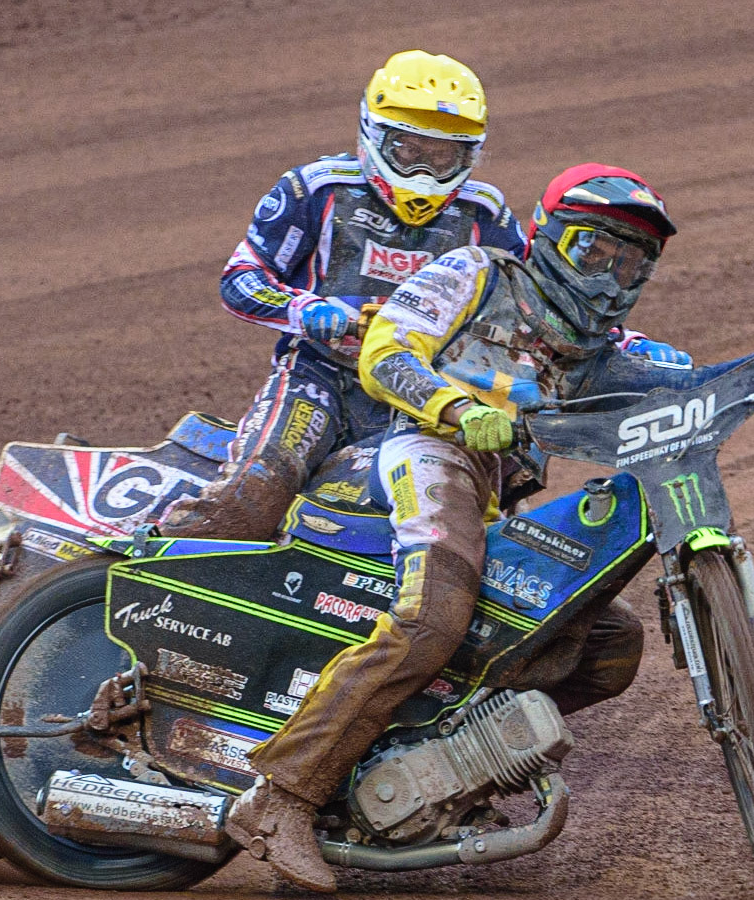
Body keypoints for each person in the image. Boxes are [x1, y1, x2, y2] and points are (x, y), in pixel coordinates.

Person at [224, 163, 754, 891]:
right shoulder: (478, 272)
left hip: (488, 496)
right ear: (548, 236)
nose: (610, 277)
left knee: (609, 645)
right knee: (433, 619)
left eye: (630, 262)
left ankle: (445, 766)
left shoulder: (594, 351)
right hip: (422, 453)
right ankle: (281, 797)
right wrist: (456, 410)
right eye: (594, 252)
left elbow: (681, 389)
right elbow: (386, 350)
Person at [159, 50, 527, 539]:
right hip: (321, 375)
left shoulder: (486, 215)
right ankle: (150, 567)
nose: (424, 173)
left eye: (442, 157)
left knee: (461, 523)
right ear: (373, 136)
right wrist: (304, 309)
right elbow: (241, 277)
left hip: (422, 396)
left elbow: (529, 307)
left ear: (469, 155)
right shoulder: (317, 189)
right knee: (255, 491)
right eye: (409, 150)